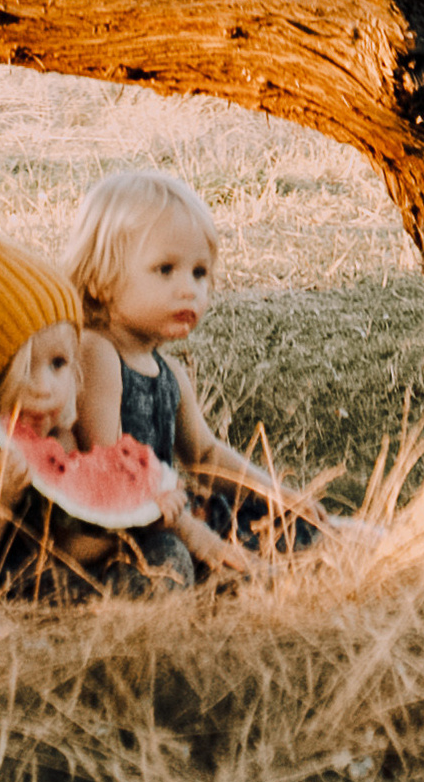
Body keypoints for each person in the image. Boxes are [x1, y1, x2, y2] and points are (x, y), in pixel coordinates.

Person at [0, 175, 192, 601]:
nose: (46, 387)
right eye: (24, 369)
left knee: (167, 551)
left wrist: (141, 515)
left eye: (59, 365)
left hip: (63, 580)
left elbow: (71, 550)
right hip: (1, 591)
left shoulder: (61, 438)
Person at [66, 163, 331, 568]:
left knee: (322, 533)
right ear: (102, 279)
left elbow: (204, 455)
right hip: (122, 534)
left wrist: (275, 493)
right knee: (171, 562)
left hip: (176, 514)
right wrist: (199, 538)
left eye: (200, 273)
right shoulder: (97, 352)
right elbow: (112, 469)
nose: (189, 288)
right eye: (165, 269)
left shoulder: (169, 371)